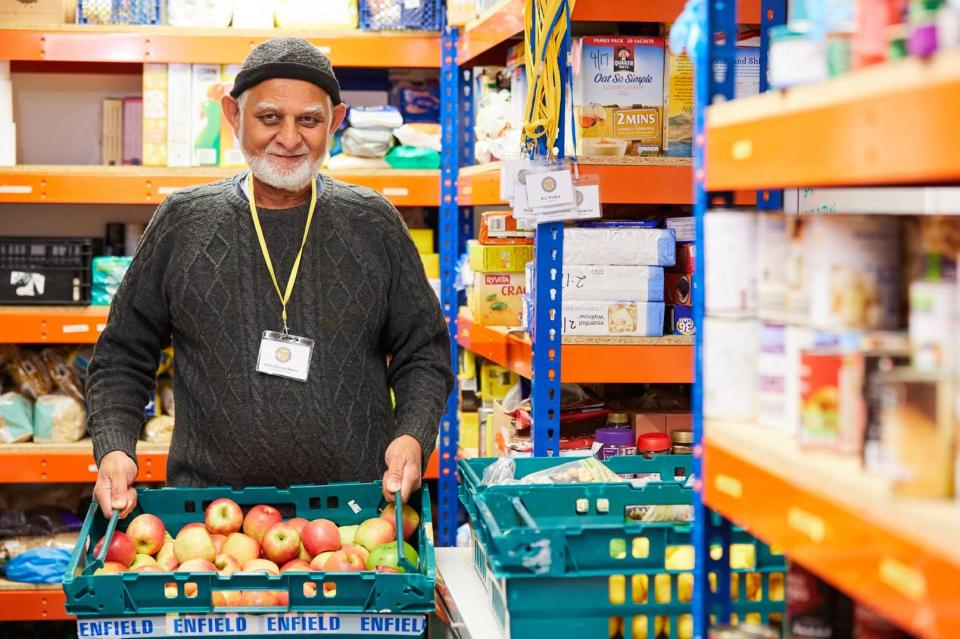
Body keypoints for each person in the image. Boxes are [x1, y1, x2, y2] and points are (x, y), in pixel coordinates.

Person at [86, 37, 453, 518]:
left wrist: (412, 436)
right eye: (269, 118)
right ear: (234, 116)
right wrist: (115, 448)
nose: (289, 138)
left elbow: (423, 350)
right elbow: (121, 354)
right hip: (213, 519)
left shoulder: (373, 223)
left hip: (357, 514)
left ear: (336, 122)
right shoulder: (183, 221)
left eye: (309, 120)